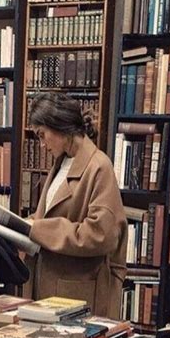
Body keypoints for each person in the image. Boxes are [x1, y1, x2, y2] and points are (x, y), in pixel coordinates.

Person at [23, 92, 127, 319]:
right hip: (50, 286)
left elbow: (101, 234)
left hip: (77, 293)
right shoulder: (61, 164)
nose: (41, 145)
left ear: (59, 125)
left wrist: (38, 229)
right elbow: (51, 215)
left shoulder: (99, 166)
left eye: (42, 135)